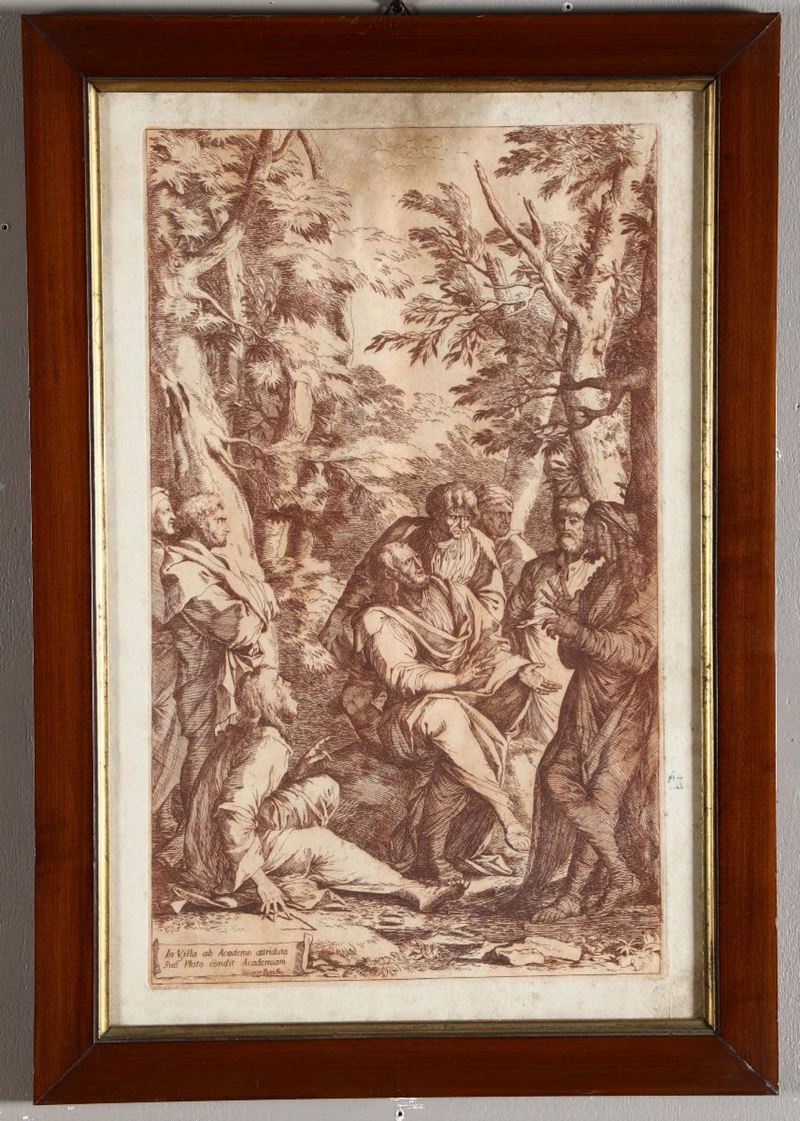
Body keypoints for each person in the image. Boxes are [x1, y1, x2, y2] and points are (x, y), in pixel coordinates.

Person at [353, 541, 557, 884]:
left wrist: (521, 669)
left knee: (464, 736)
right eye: (407, 563)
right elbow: (403, 675)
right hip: (407, 719)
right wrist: (456, 679)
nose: (418, 563)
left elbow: (490, 644)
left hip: (462, 706)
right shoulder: (380, 618)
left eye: (416, 557)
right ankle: (505, 812)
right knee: (446, 713)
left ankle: (432, 852)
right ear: (390, 575)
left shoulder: (455, 594)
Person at [183, 668, 463, 916]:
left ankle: (297, 857)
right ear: (268, 699)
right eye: (280, 682)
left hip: (213, 848)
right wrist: (262, 884)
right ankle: (412, 890)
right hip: (223, 864)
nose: (289, 684)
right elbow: (233, 814)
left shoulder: (247, 733)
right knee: (322, 841)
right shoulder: (266, 746)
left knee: (324, 787)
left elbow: (249, 795)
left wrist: (298, 773)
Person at [517, 501, 659, 920]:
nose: (587, 536)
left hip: (625, 705)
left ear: (611, 532)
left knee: (602, 795)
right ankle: (619, 873)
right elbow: (571, 656)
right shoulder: (600, 578)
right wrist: (566, 621)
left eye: (593, 528)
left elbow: (637, 653)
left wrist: (576, 629)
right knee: (555, 776)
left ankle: (573, 894)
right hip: (584, 699)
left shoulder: (643, 583)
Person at [320, 482, 506, 746]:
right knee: (354, 699)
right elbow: (368, 575)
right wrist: (342, 612)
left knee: (429, 700)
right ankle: (384, 748)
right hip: (399, 626)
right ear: (437, 513)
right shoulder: (408, 531)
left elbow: (492, 595)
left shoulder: (478, 544)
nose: (462, 525)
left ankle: (419, 744)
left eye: (467, 518)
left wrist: (476, 631)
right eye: (454, 517)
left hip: (450, 634)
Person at [161, 492, 280, 813]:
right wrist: (260, 604)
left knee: (228, 758)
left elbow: (260, 599)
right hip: (204, 681)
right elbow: (236, 626)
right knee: (204, 756)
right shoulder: (183, 571)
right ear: (201, 524)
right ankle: (193, 829)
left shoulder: (216, 564)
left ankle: (215, 826)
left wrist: (257, 603)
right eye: (220, 520)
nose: (227, 526)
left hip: (225, 681)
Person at [505, 496, 598, 743]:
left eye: (574, 521)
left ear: (589, 525)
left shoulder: (602, 569)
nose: (566, 527)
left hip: (582, 674)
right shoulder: (537, 568)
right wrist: (520, 666)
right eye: (561, 521)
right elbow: (510, 623)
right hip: (537, 674)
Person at [151, 488, 186, 828]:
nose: (173, 515)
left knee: (175, 731)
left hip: (165, 653)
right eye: (165, 510)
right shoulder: (152, 554)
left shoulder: (162, 552)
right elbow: (156, 613)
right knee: (162, 726)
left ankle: (161, 809)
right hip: (156, 654)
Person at [474, 484, 536, 592]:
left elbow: (511, 594)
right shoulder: (477, 539)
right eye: (500, 514)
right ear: (482, 515)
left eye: (509, 514)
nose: (506, 521)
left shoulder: (516, 550)